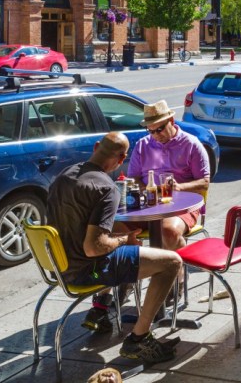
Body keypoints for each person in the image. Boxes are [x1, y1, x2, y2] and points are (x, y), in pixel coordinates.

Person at [47, 132, 182, 364]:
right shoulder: (107, 189)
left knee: (129, 252)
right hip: (88, 270)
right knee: (171, 262)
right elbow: (94, 247)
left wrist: (120, 237)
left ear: (97, 146)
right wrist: (123, 240)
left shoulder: (64, 175)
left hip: (59, 267)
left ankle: (101, 309)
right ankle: (139, 339)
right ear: (121, 160)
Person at [127, 100, 210, 252]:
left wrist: (180, 187)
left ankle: (176, 272)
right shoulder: (142, 145)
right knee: (115, 230)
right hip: (149, 205)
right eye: (151, 131)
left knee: (168, 232)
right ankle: (138, 269)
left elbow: (204, 182)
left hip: (183, 206)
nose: (156, 135)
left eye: (160, 129)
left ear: (171, 121)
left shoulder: (191, 144)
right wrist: (149, 190)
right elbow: (133, 178)